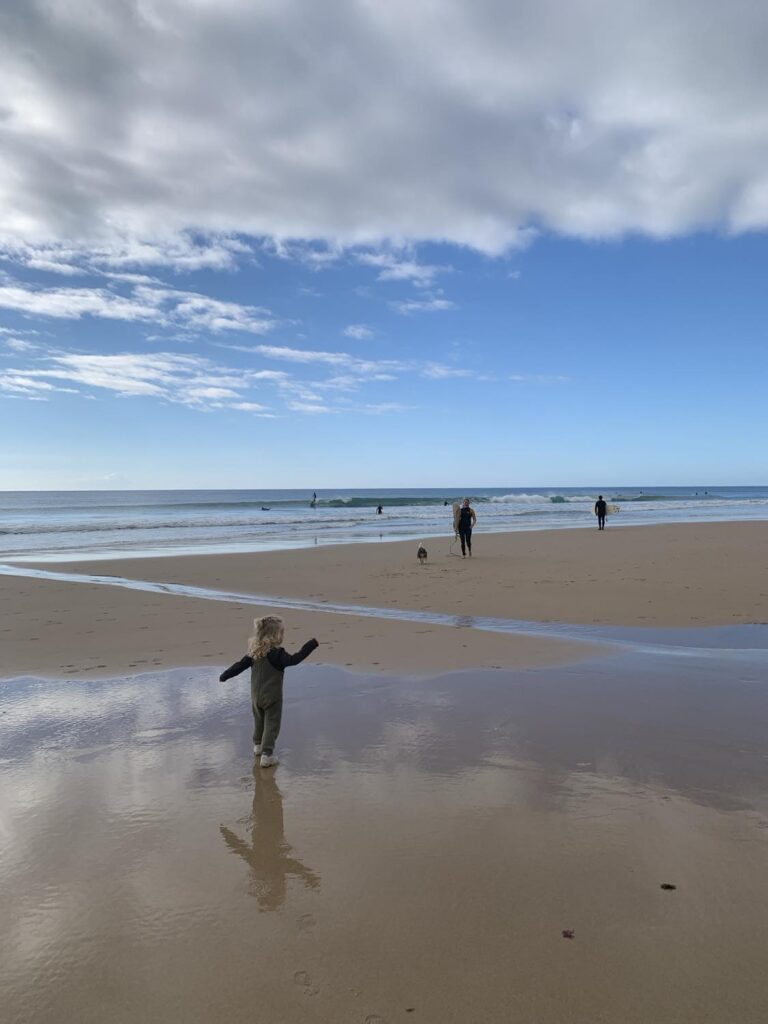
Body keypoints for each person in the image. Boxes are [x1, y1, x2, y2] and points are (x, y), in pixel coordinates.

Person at [219, 615, 319, 768]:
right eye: (282, 632)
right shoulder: (277, 654)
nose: (283, 635)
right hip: (272, 697)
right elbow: (295, 659)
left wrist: (225, 675)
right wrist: (311, 644)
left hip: (255, 696)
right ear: (275, 636)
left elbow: (239, 666)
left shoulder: (254, 652)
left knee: (259, 720)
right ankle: (267, 754)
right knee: (272, 724)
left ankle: (257, 746)